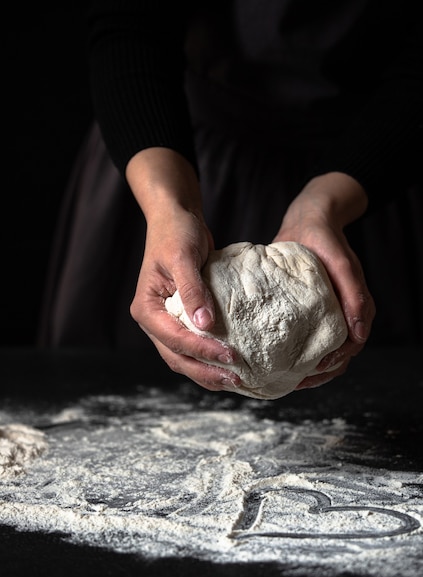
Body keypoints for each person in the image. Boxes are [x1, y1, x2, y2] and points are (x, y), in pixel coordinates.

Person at [39, 1, 423, 394]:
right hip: (170, 144)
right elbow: (129, 23)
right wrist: (170, 208)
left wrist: (325, 205)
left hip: (374, 161)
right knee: (108, 373)